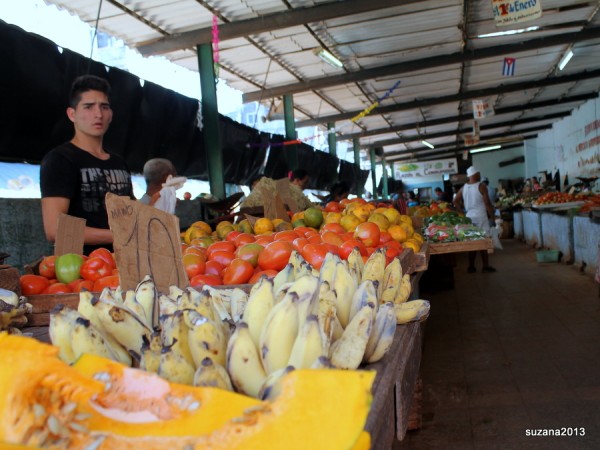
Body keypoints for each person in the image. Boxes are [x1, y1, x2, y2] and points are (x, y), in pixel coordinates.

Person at [40, 75, 134, 254]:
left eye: (104, 107)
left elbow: (130, 213)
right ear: (72, 114)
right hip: (81, 269)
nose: (98, 114)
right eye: (88, 106)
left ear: (111, 114)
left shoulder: (118, 163)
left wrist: (158, 203)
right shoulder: (60, 159)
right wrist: (118, 235)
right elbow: (54, 228)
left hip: (126, 262)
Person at [453, 166, 496, 273]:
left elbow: (455, 201)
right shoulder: (481, 186)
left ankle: (471, 266)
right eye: (478, 173)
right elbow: (487, 204)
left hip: (469, 218)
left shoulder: (464, 188)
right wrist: (492, 218)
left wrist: (462, 212)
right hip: (481, 217)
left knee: (471, 242)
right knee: (483, 242)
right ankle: (485, 266)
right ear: (474, 175)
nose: (480, 175)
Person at [240, 168, 314, 211]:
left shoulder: (295, 194)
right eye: (305, 182)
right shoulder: (280, 188)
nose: (306, 186)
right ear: (297, 180)